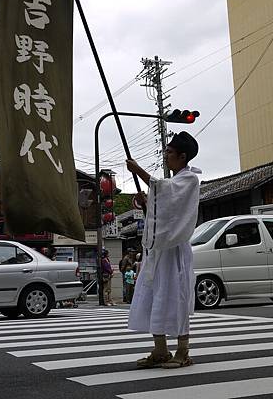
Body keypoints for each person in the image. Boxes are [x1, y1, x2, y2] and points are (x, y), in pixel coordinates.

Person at [125, 131, 201, 369]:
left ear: (182, 156)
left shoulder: (188, 179)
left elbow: (166, 192)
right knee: (155, 295)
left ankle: (183, 350)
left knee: (176, 297)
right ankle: (160, 350)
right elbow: (164, 210)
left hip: (175, 251)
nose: (165, 156)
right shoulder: (175, 181)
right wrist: (150, 203)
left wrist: (138, 171)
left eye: (169, 152)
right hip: (159, 251)